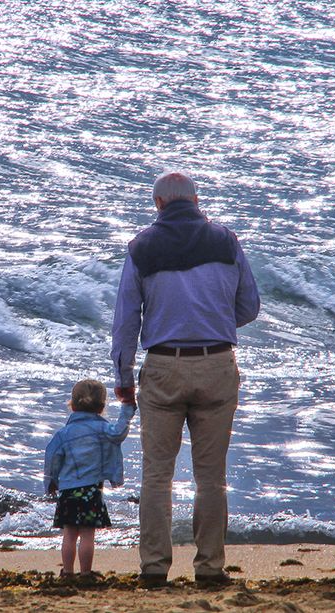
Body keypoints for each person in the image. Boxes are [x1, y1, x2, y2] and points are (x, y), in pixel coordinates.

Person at [111, 171, 260, 587]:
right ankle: (210, 569)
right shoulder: (227, 241)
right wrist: (215, 322)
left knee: (157, 474)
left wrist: (122, 376)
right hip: (216, 363)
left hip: (163, 366)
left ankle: (154, 568)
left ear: (158, 205)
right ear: (197, 200)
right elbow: (250, 305)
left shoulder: (141, 247)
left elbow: (126, 320)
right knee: (211, 476)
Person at [44, 379, 136, 579]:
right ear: (102, 406)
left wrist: (51, 482)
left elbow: (52, 457)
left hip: (68, 491)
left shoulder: (63, 433)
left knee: (69, 534)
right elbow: (119, 432)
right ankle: (85, 573)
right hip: (91, 490)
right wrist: (127, 408)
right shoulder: (102, 429)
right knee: (87, 534)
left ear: (73, 404)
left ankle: (67, 572)